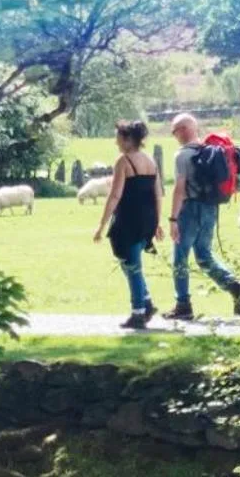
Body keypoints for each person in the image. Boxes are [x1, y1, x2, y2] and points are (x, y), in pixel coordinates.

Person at [166, 112, 240, 320]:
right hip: (210, 208)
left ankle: (183, 305)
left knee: (179, 257)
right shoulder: (211, 152)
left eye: (174, 131)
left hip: (190, 209)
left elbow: (179, 189)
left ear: (184, 130)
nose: (174, 135)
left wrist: (173, 219)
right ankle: (234, 286)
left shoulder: (183, 155)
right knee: (204, 255)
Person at [93, 119, 162, 329]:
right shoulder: (151, 161)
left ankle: (138, 313)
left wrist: (101, 225)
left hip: (129, 220)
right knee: (129, 263)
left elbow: (115, 196)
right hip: (147, 219)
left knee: (132, 266)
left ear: (128, 139)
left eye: (118, 138)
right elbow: (158, 194)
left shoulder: (123, 162)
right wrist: (157, 222)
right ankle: (147, 302)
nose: (116, 143)